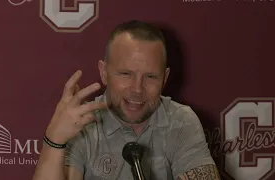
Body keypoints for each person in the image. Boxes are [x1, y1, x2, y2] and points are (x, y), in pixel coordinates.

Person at [33, 20, 220, 180]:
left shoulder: (181, 121)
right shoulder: (82, 124)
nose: (137, 89)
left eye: (150, 77)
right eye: (126, 74)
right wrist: (54, 140)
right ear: (104, 73)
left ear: (165, 78)